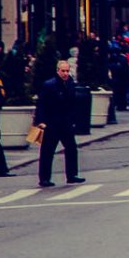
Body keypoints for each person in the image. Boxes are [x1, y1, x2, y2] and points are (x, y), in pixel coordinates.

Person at [33, 59, 85, 187]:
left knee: (71, 148)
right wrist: (41, 121)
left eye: (67, 71)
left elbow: (73, 104)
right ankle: (44, 178)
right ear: (58, 71)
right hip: (52, 123)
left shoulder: (70, 84)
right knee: (47, 151)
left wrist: (73, 121)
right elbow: (41, 104)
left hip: (66, 123)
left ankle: (72, 175)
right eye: (63, 71)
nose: (65, 73)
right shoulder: (49, 85)